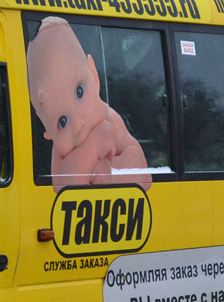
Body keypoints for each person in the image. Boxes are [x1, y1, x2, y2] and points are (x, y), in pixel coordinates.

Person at [27, 16, 151, 190]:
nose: (78, 123)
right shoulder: (60, 149)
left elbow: (144, 176)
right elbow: (62, 186)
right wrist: (93, 146)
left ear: (94, 77)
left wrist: (110, 172)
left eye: (79, 92)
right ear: (48, 133)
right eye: (62, 122)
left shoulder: (109, 118)